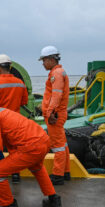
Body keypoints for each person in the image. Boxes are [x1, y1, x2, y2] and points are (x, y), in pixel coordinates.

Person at [0, 89, 62, 207]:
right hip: (43, 140)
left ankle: (8, 204)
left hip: (31, 147)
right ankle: (53, 199)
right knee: (37, 167)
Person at [0, 54, 28, 184]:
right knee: (14, 149)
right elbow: (24, 101)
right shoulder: (20, 83)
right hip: (15, 122)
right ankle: (16, 175)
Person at [39, 46, 70, 185]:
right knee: (63, 145)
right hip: (59, 113)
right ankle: (66, 172)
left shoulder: (56, 74)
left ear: (51, 59)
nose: (43, 63)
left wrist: (50, 112)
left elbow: (56, 95)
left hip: (55, 115)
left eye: (44, 60)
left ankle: (58, 176)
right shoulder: (59, 72)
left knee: (57, 146)